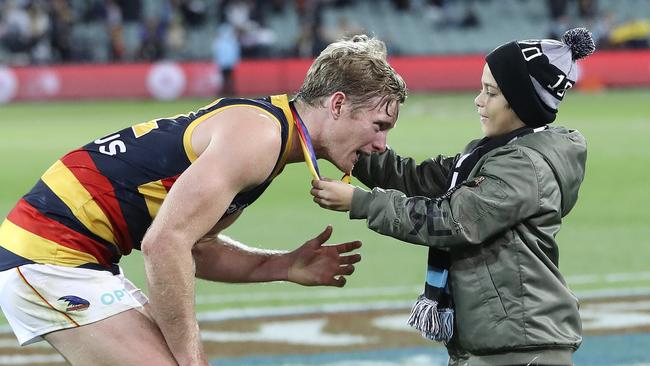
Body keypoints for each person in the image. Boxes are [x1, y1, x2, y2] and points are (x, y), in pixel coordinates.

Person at [0, 34, 407, 366]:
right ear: (337, 104)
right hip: (48, 253)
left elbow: (195, 245)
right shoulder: (261, 138)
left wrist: (282, 264)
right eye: (379, 124)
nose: (381, 144)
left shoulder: (271, 131)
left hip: (71, 256)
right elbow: (164, 244)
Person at [311, 28, 594, 365]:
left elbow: (451, 220)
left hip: (522, 350)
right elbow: (414, 180)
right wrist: (345, 139)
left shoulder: (523, 166)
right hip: (501, 346)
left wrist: (360, 202)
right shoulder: (490, 154)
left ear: (521, 102)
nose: (478, 100)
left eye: (490, 92)